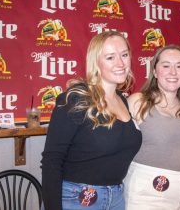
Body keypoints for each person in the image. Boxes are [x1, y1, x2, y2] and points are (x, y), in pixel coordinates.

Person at [41, 31, 142, 210]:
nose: (120, 63)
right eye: (110, 57)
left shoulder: (123, 99)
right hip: (78, 198)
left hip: (116, 197)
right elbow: (52, 159)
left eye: (124, 55)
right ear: (96, 61)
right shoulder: (75, 98)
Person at [124, 45, 180, 210]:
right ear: (155, 71)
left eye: (179, 66)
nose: (173, 72)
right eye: (166, 66)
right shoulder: (138, 102)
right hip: (146, 192)